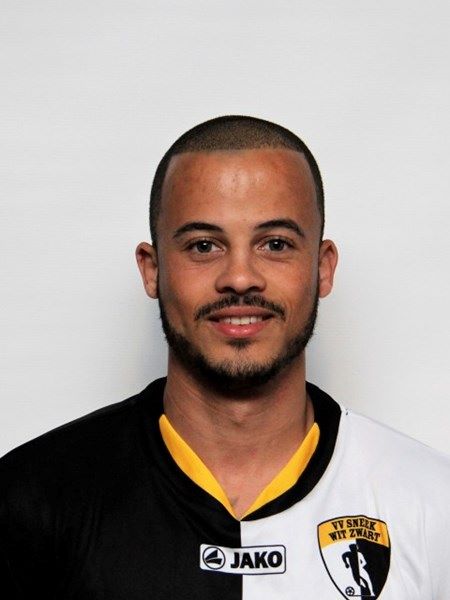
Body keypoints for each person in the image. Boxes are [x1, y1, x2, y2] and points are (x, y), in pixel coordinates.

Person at [1, 116, 449, 600]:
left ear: (322, 269)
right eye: (203, 246)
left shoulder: (431, 501)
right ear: (152, 270)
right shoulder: (29, 500)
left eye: (275, 244)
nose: (239, 278)